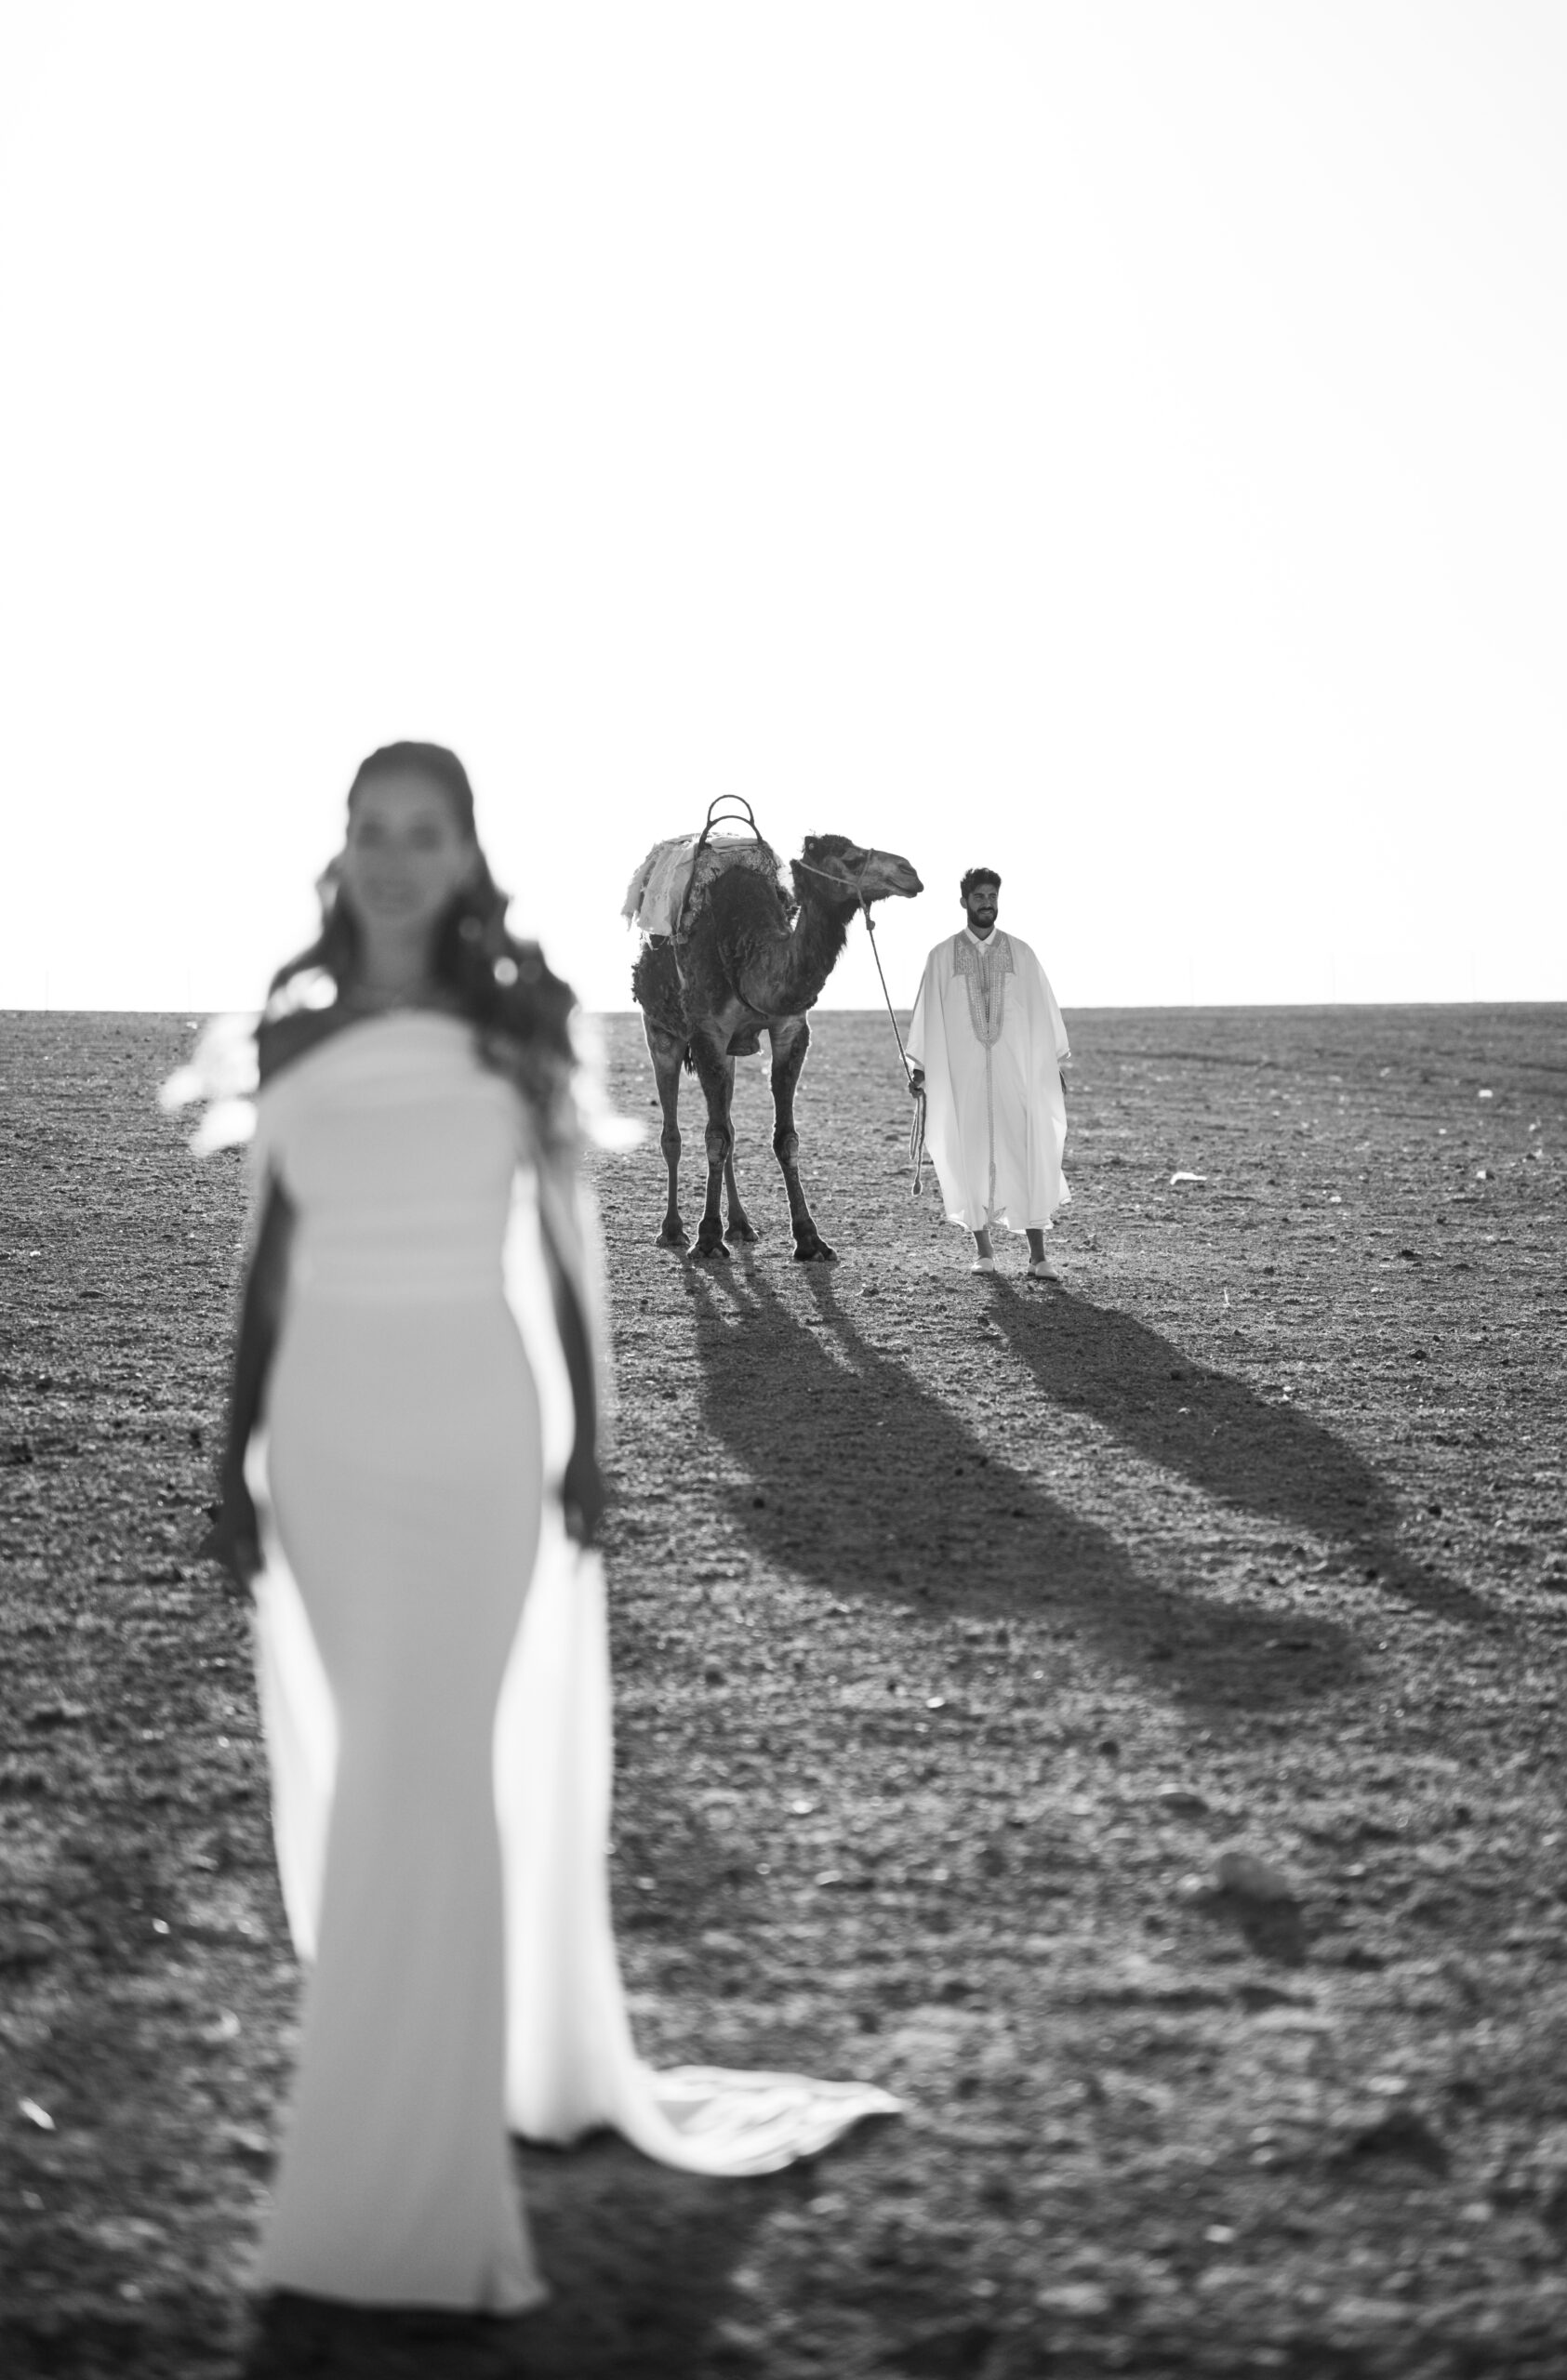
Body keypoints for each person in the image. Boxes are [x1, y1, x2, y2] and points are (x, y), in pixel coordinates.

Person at [173, 741, 897, 2319]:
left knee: (434, 1777)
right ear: (345, 848)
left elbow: (566, 1259)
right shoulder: (299, 1030)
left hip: (481, 1449)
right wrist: (236, 1462)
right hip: (333, 1446)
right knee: (367, 1782)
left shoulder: (519, 1027)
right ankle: (408, 2090)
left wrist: (585, 1451)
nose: (396, 856)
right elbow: (266, 1259)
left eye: (424, 831)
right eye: (372, 829)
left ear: (463, 852)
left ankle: (415, 2149)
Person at [905, 866, 1071, 1278]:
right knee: (969, 1154)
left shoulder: (1022, 954)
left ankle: (1038, 1257)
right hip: (963, 1076)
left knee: (1027, 1150)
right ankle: (985, 1253)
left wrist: (1049, 1068)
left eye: (992, 897)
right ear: (964, 901)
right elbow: (928, 1017)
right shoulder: (941, 957)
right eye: (979, 897)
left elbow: (1041, 1014)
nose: (987, 904)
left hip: (1016, 1075)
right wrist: (921, 1069)